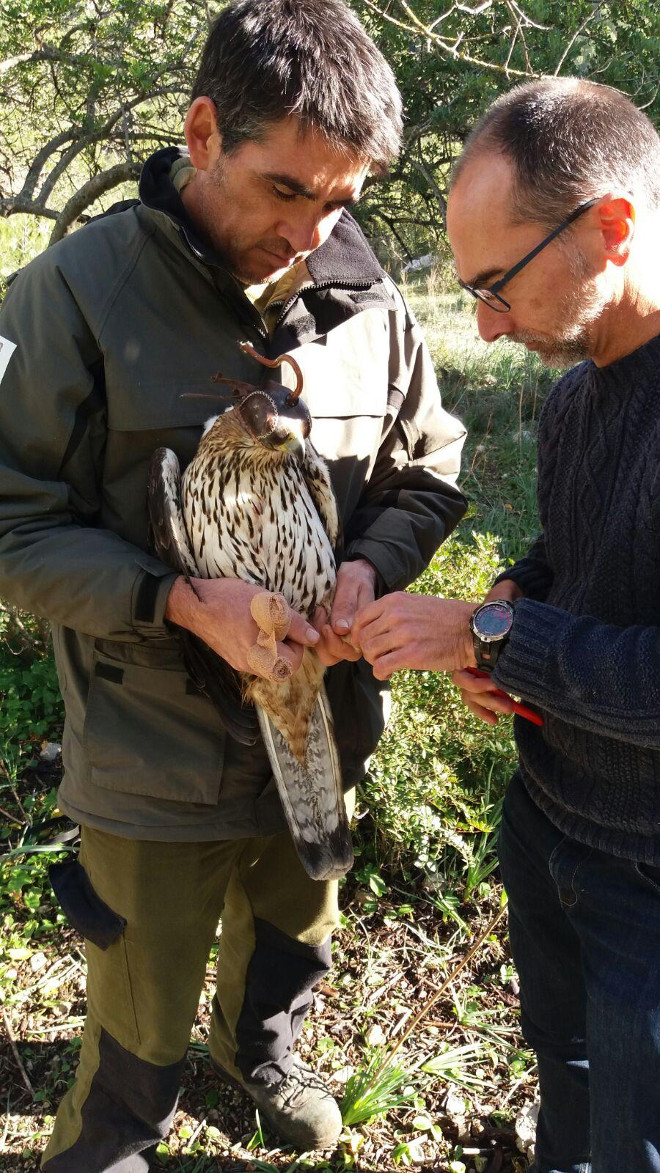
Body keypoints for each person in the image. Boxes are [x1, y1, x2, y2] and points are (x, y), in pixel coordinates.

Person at [0, 1, 467, 1167]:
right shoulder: (71, 295)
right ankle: (113, 1133)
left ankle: (257, 1051)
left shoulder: (370, 304)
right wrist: (172, 600)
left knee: (296, 931)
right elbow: (10, 523)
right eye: (286, 191)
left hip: (319, 731)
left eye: (343, 199)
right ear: (205, 132)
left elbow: (428, 471)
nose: (312, 231)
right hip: (153, 748)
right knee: (140, 988)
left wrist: (368, 567)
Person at [352, 77, 660, 1173]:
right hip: (552, 827)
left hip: (648, 884)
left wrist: (487, 639)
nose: (482, 324)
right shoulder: (581, 389)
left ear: (612, 229)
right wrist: (508, 607)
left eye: (498, 285)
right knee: (566, 1094)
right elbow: (575, 564)